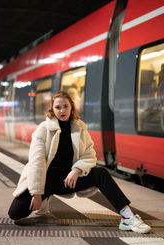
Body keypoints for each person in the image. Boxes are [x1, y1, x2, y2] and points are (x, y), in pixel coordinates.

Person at [8, 91, 151, 234]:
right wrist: (37, 193)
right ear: (52, 109)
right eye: (58, 107)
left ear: (71, 107)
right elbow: (36, 163)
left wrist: (77, 170)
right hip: (45, 181)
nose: (62, 110)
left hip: (68, 180)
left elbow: (90, 155)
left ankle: (127, 217)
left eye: (65, 106)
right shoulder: (43, 130)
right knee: (15, 213)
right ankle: (45, 196)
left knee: (100, 173)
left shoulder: (80, 129)